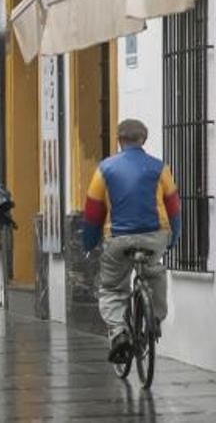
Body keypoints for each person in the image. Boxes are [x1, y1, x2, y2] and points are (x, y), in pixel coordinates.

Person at [81, 119, 180, 364]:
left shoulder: (105, 168)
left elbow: (93, 211)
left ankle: (119, 332)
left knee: (113, 288)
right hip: (155, 235)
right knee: (154, 272)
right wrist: (173, 238)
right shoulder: (160, 168)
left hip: (118, 239)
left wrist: (89, 242)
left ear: (118, 140)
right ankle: (154, 318)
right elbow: (174, 207)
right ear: (143, 140)